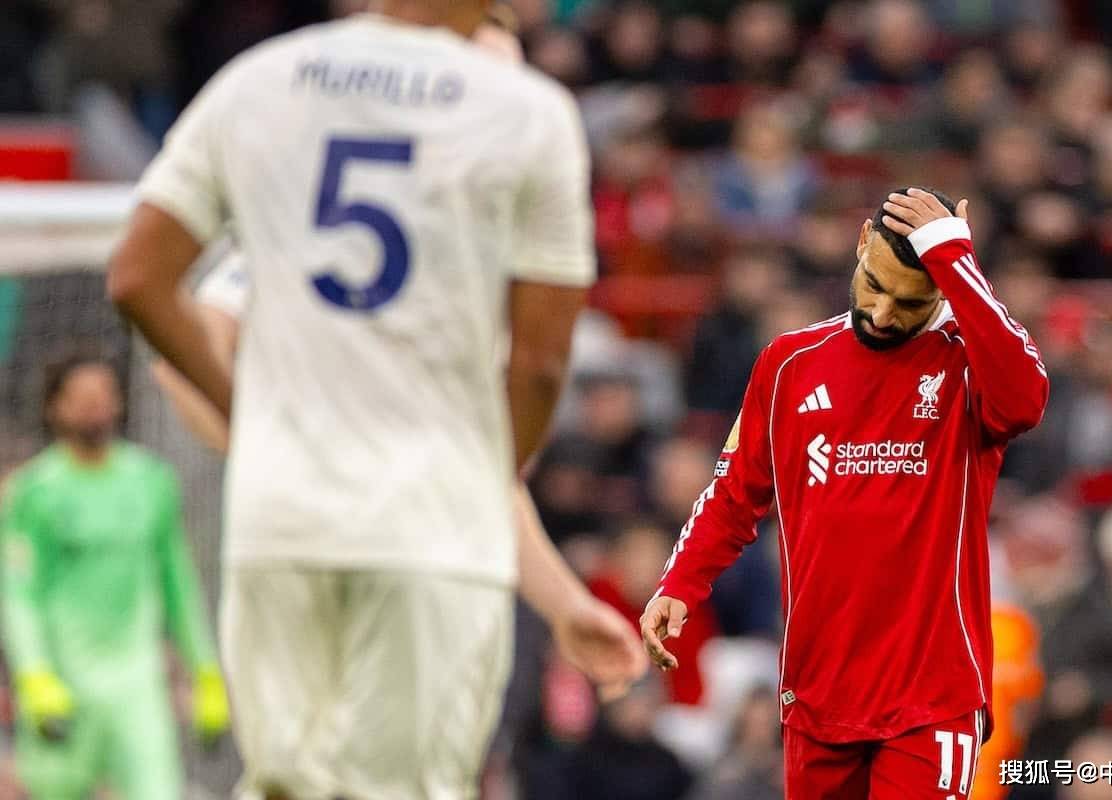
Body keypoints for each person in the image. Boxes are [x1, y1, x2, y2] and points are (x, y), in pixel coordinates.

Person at [106, 0, 602, 794]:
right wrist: (476, 477)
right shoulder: (522, 121)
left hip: (281, 518)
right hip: (429, 526)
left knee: (283, 782)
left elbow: (141, 281)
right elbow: (541, 368)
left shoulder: (266, 86)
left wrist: (261, 424)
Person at [641, 187, 1049, 799]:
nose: (882, 313)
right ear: (861, 243)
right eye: (875, 286)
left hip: (931, 698)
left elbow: (1026, 399)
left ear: (943, 289)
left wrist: (955, 257)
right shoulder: (789, 364)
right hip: (817, 692)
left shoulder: (968, 364)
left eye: (909, 302)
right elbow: (732, 494)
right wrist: (680, 583)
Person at [153, 250, 646, 699]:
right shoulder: (310, 224)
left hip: (425, 603)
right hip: (326, 592)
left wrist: (567, 606)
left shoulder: (471, 271)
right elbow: (180, 358)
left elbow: (478, 475)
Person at [1, 353, 228, 800]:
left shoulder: (151, 481)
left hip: (137, 684)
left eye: (103, 396)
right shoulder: (35, 492)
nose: (95, 408)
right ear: (55, 406)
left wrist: (205, 671)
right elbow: (20, 593)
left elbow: (178, 585)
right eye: (82, 399)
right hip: (64, 684)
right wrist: (34, 674)